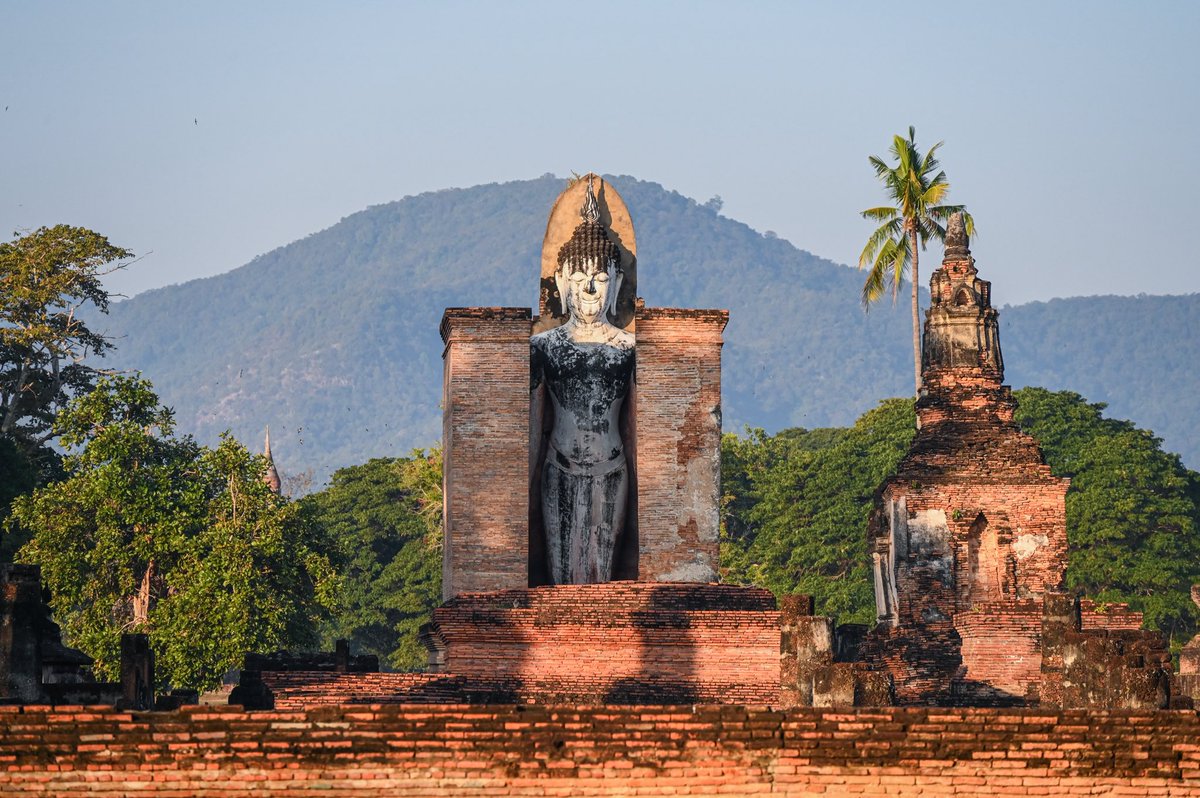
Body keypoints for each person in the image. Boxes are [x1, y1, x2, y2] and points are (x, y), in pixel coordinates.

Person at [530, 177, 634, 584]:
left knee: (602, 573)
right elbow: (530, 427)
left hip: (612, 464)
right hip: (559, 463)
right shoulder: (547, 346)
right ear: (561, 284)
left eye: (601, 278)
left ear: (616, 285)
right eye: (579, 277)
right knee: (561, 577)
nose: (590, 287)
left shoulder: (628, 347)